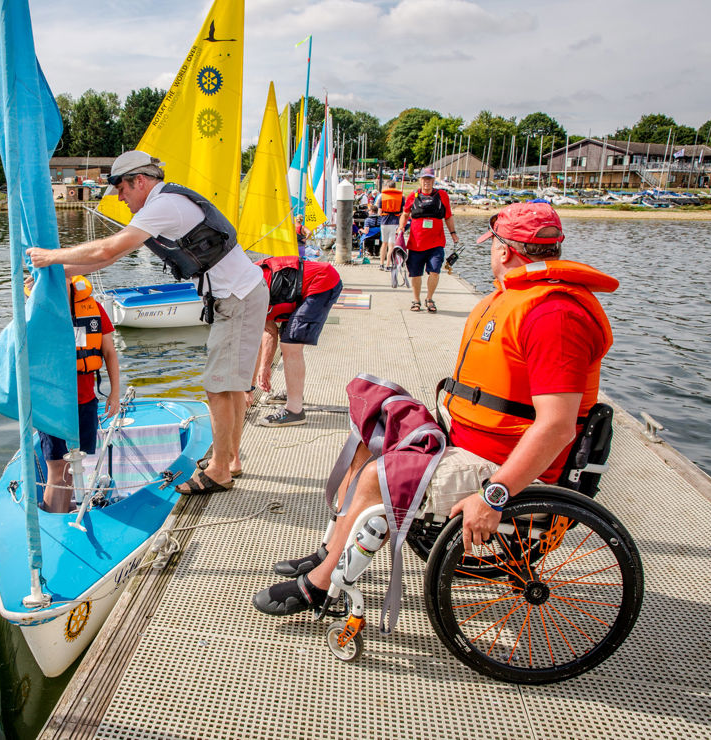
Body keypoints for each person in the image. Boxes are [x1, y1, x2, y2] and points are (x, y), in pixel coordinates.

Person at [252, 202, 618, 615]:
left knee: (379, 476)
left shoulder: (555, 316)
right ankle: (330, 551)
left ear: (505, 251)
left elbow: (557, 427)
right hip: (466, 442)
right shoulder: (521, 299)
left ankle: (318, 587)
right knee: (369, 427)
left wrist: (495, 495)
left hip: (497, 467)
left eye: (493, 245)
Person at [27, 150, 269, 494]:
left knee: (218, 386)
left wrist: (50, 256)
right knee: (229, 385)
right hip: (239, 295)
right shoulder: (161, 207)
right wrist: (55, 275)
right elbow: (106, 260)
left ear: (140, 181)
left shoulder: (164, 205)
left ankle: (220, 471)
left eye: (122, 190)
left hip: (237, 298)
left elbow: (108, 250)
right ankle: (229, 460)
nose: (121, 198)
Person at [36, 272, 120, 513]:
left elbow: (109, 352)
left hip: (85, 401)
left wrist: (114, 393)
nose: (60, 283)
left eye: (65, 276)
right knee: (57, 472)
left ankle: (66, 512)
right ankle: (56, 522)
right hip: (51, 404)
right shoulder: (39, 309)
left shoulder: (92, 308)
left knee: (74, 467)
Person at [253, 256, 343, 427]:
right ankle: (294, 394)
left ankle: (294, 411)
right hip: (302, 287)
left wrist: (251, 385)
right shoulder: (245, 284)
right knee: (287, 338)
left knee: (290, 344)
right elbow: (270, 329)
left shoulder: (249, 294)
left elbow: (268, 333)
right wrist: (262, 370)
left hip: (321, 282)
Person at [397, 167, 458, 313]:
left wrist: (453, 233)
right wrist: (401, 228)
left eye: (430, 179)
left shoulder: (442, 195)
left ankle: (429, 299)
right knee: (416, 273)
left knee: (435, 271)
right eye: (424, 179)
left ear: (433, 180)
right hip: (416, 243)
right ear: (420, 180)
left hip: (436, 242)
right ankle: (416, 300)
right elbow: (405, 214)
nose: (427, 182)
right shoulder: (413, 195)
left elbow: (448, 216)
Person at [378, 180, 404, 271]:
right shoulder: (401, 197)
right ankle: (388, 265)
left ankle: (381, 264)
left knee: (384, 244)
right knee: (391, 245)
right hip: (395, 223)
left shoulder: (382, 196)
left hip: (384, 222)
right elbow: (402, 212)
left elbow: (379, 212)